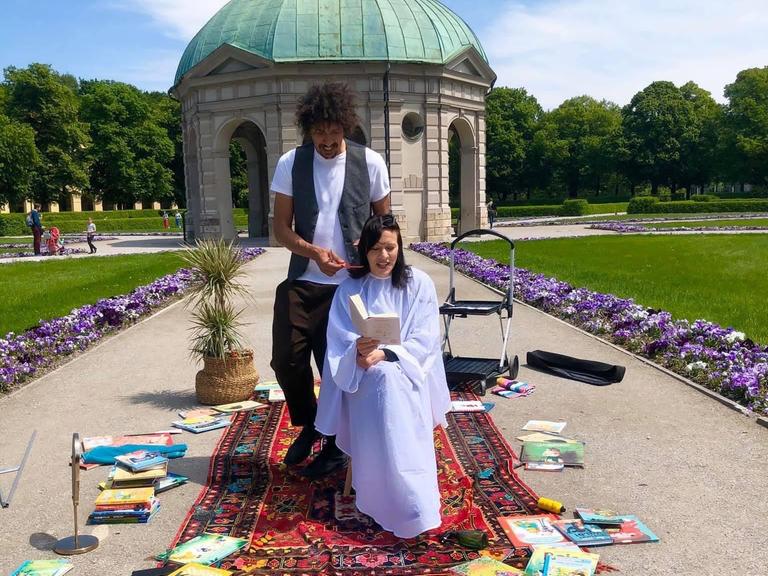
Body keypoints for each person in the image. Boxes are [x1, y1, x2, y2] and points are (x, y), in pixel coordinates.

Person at [270, 82, 390, 479]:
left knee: (338, 367)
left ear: (345, 126)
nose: (325, 139)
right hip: (303, 281)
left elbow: (385, 225)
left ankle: (337, 446)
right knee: (286, 360)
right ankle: (308, 424)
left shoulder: (370, 162)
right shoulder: (291, 162)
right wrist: (314, 253)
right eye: (317, 131)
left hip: (352, 286)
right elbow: (280, 229)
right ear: (308, 129)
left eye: (332, 130)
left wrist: (368, 240)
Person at [315, 214, 451, 538]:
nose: (384, 256)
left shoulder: (418, 284)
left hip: (407, 375)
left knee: (389, 380)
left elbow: (425, 339)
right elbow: (338, 339)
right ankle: (381, 488)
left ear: (400, 247)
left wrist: (388, 354)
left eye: (390, 247)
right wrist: (358, 353)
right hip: (364, 377)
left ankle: (411, 495)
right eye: (376, 248)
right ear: (365, 251)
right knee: (380, 380)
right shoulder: (350, 288)